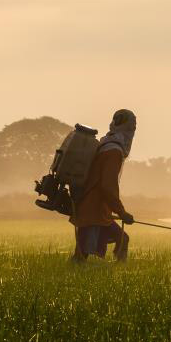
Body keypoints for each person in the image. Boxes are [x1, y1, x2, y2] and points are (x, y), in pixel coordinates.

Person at [70, 109, 137, 262]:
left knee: (122, 239)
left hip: (94, 208)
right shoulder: (114, 151)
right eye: (132, 127)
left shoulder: (105, 143)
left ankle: (120, 271)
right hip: (94, 210)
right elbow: (108, 186)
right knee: (81, 256)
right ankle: (119, 270)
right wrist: (122, 212)